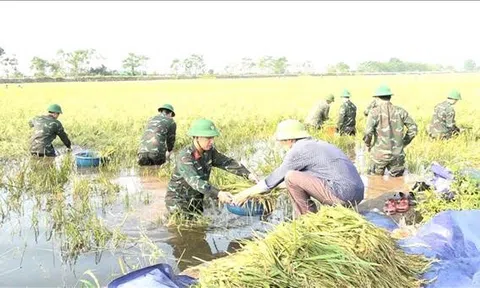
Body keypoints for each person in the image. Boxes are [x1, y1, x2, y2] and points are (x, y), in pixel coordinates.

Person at [232, 119, 364, 218]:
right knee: (292, 178)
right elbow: (306, 180)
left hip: (342, 196)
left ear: (289, 139)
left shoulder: (299, 150)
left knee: (290, 176)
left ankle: (307, 218)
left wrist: (246, 193)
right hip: (357, 195)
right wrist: (274, 186)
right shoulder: (318, 145)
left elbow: (276, 179)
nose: (281, 144)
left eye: (281, 141)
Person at [165, 119, 259, 215]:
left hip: (197, 197)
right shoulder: (185, 157)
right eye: (208, 138)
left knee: (202, 226)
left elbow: (227, 162)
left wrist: (249, 175)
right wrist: (218, 193)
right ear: (197, 137)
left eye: (212, 138)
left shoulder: (209, 151)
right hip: (178, 200)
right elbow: (195, 182)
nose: (211, 142)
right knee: (182, 227)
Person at [363, 85, 417, 177]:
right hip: (397, 155)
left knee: (375, 182)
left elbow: (368, 132)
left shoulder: (374, 112)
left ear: (377, 98)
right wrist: (403, 143)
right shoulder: (401, 111)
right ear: (390, 97)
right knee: (398, 184)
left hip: (379, 155)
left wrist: (367, 145)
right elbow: (413, 129)